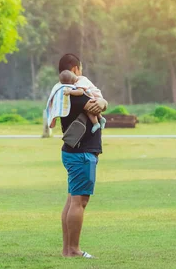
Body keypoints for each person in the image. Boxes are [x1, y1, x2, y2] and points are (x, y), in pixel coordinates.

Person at [57, 53, 107, 259]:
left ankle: (67, 249)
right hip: (81, 153)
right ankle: (74, 250)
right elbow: (97, 104)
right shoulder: (74, 93)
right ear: (75, 69)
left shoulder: (63, 92)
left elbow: (100, 103)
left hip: (74, 152)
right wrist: (102, 102)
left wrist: (102, 102)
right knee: (79, 202)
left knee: (72, 201)